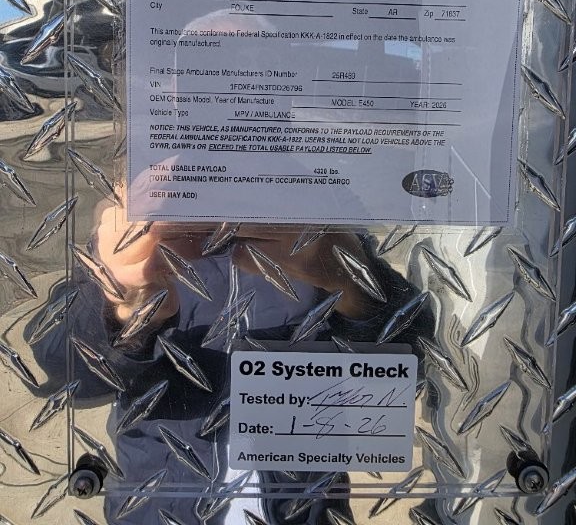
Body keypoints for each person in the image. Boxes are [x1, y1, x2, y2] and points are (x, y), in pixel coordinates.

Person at [28, 195, 434, 524]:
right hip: (158, 505)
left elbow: (410, 365)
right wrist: (120, 308)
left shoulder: (312, 208)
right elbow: (62, 370)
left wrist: (350, 279)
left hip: (304, 507)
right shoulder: (138, 223)